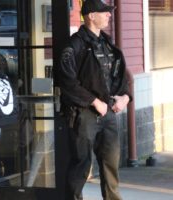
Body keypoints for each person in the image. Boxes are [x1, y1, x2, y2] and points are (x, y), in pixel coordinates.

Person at [58, 0, 131, 200]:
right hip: (84, 115)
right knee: (81, 166)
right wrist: (94, 102)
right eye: (104, 12)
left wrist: (125, 97)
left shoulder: (107, 43)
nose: (108, 15)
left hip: (107, 115)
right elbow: (67, 82)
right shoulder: (75, 44)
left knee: (110, 166)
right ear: (91, 16)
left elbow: (122, 77)